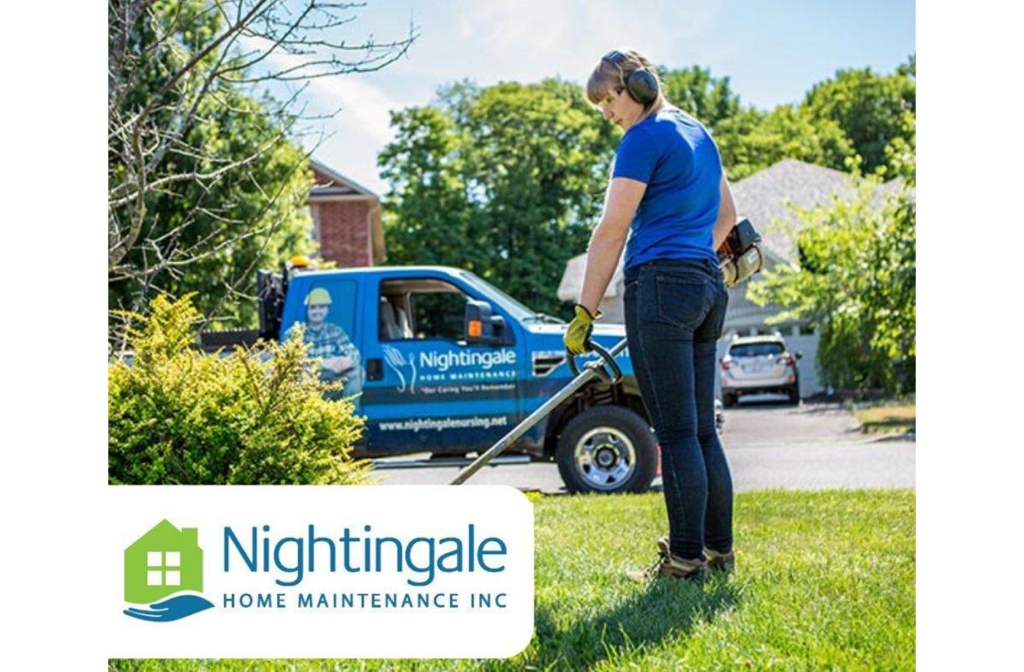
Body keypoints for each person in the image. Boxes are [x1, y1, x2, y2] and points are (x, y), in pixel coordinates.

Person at [564, 49, 738, 582]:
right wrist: (693, 258)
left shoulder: (642, 138)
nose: (606, 113)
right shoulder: (698, 133)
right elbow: (728, 216)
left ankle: (684, 560)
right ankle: (718, 552)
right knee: (702, 431)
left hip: (660, 287)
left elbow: (613, 229)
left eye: (609, 99)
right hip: (706, 286)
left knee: (676, 433)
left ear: (637, 86)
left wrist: (585, 312)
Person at [285, 287, 363, 401]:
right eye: (313, 308)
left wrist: (346, 361)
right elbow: (288, 363)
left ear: (327, 309)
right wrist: (323, 363)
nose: (317, 311)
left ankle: (348, 414)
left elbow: (354, 353)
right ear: (307, 310)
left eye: (321, 307)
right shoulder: (294, 333)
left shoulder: (335, 331)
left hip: (330, 381)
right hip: (304, 383)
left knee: (358, 371)